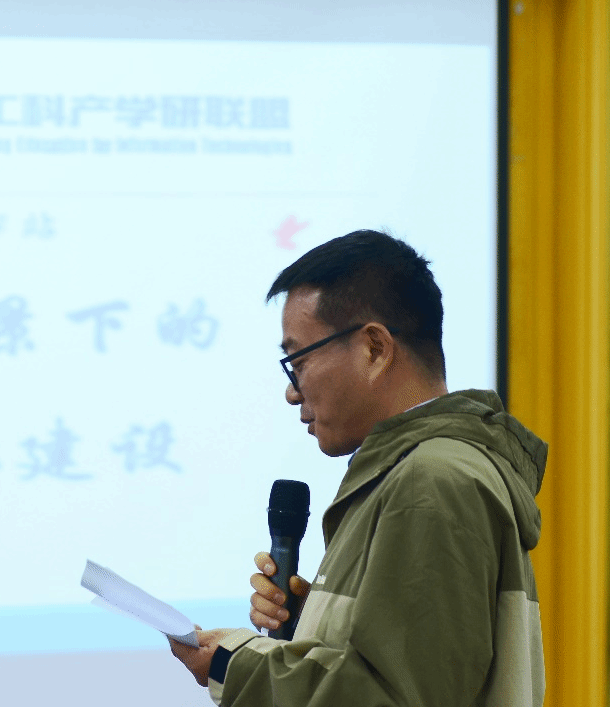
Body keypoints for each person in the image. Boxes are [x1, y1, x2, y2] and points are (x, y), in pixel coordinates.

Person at [170, 229, 547, 707]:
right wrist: (312, 625)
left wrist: (236, 663)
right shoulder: (428, 471)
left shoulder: (432, 481)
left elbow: (396, 697)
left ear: (374, 349)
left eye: (298, 362)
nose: (292, 392)